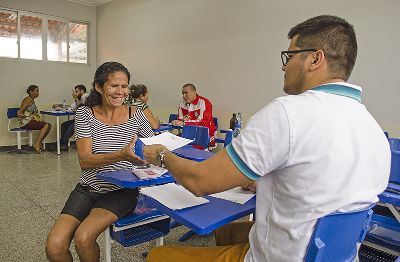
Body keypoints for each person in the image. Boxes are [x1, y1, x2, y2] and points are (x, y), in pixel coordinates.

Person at [143, 15, 391, 261]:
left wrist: (161, 155)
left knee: (159, 255)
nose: (284, 66)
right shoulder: (373, 130)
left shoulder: (288, 113)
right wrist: (263, 184)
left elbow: (199, 181)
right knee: (227, 231)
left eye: (290, 56)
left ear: (315, 58)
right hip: (334, 255)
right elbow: (324, 190)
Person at [45, 62, 154, 262]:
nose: (120, 92)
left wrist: (163, 152)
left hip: (121, 191)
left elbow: (152, 146)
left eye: (124, 86)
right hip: (88, 189)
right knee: (54, 246)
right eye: (114, 86)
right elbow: (85, 161)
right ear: (98, 86)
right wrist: (122, 154)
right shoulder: (85, 114)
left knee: (83, 238)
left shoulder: (136, 115)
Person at [171, 83, 216, 148]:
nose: (184, 96)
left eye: (186, 93)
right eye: (183, 93)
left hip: (206, 135)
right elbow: (180, 120)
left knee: (190, 149)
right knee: (171, 144)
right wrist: (176, 122)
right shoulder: (182, 103)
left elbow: (203, 123)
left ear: (194, 92)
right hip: (188, 134)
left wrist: (184, 123)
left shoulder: (204, 102)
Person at [52, 84, 89, 151]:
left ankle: (59, 144)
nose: (75, 93)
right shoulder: (79, 98)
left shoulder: (86, 96)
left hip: (86, 120)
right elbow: (71, 107)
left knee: (71, 127)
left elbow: (80, 108)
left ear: (82, 91)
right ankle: (64, 145)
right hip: (79, 119)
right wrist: (60, 106)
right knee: (64, 125)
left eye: (77, 91)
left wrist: (75, 98)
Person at [17, 85, 52, 153]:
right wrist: (30, 116)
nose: (38, 93)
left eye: (38, 91)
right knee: (46, 125)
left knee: (49, 126)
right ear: (31, 92)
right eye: (37, 91)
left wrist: (34, 117)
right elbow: (19, 113)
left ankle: (39, 143)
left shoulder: (32, 100)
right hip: (25, 122)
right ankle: (36, 144)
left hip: (30, 121)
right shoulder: (27, 100)